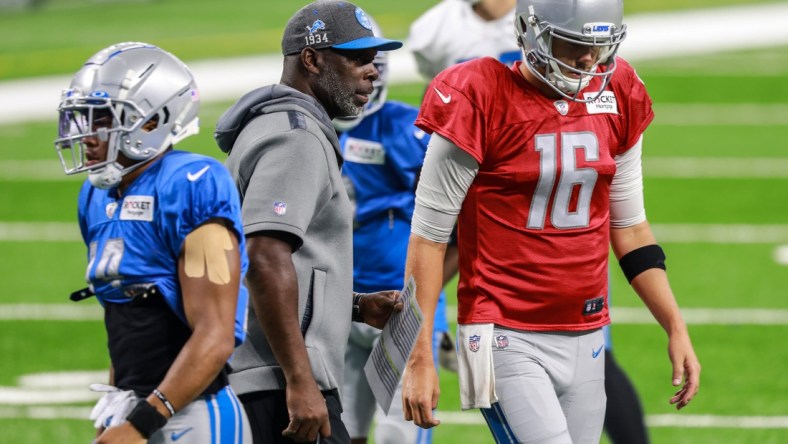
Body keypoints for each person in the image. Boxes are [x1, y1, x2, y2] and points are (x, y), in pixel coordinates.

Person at [400, 0, 702, 443]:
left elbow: (632, 228)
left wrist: (675, 326)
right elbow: (428, 238)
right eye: (574, 43)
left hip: (586, 329)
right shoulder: (477, 92)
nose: (587, 59)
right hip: (503, 326)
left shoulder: (619, 90)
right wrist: (418, 354)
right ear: (530, 31)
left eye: (598, 47)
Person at [213, 2, 404, 443]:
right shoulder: (297, 137)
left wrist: (351, 304)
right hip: (278, 383)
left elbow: (287, 259)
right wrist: (301, 380)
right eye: (357, 58)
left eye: (373, 58)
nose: (372, 71)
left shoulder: (285, 126)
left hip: (269, 375)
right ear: (313, 59)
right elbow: (263, 256)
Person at [54, 42, 252, 443]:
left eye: (103, 119)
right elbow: (126, 315)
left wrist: (143, 422)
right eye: (83, 120)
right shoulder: (96, 197)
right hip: (137, 408)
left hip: (193, 415)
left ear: (152, 120)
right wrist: (115, 404)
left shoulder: (192, 185)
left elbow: (216, 334)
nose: (86, 134)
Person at [332, 20, 449, 444]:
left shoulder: (406, 129)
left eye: (371, 63)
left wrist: (433, 302)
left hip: (399, 303)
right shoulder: (306, 126)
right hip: (337, 301)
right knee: (340, 430)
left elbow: (451, 222)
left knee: (400, 435)